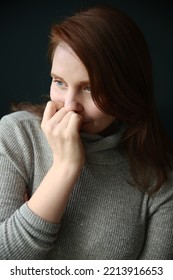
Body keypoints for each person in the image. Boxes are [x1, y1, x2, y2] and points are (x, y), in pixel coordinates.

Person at [0, 5, 173, 260]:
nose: (70, 105)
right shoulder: (16, 135)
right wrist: (65, 167)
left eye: (91, 88)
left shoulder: (160, 178)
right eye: (59, 82)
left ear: (128, 89)